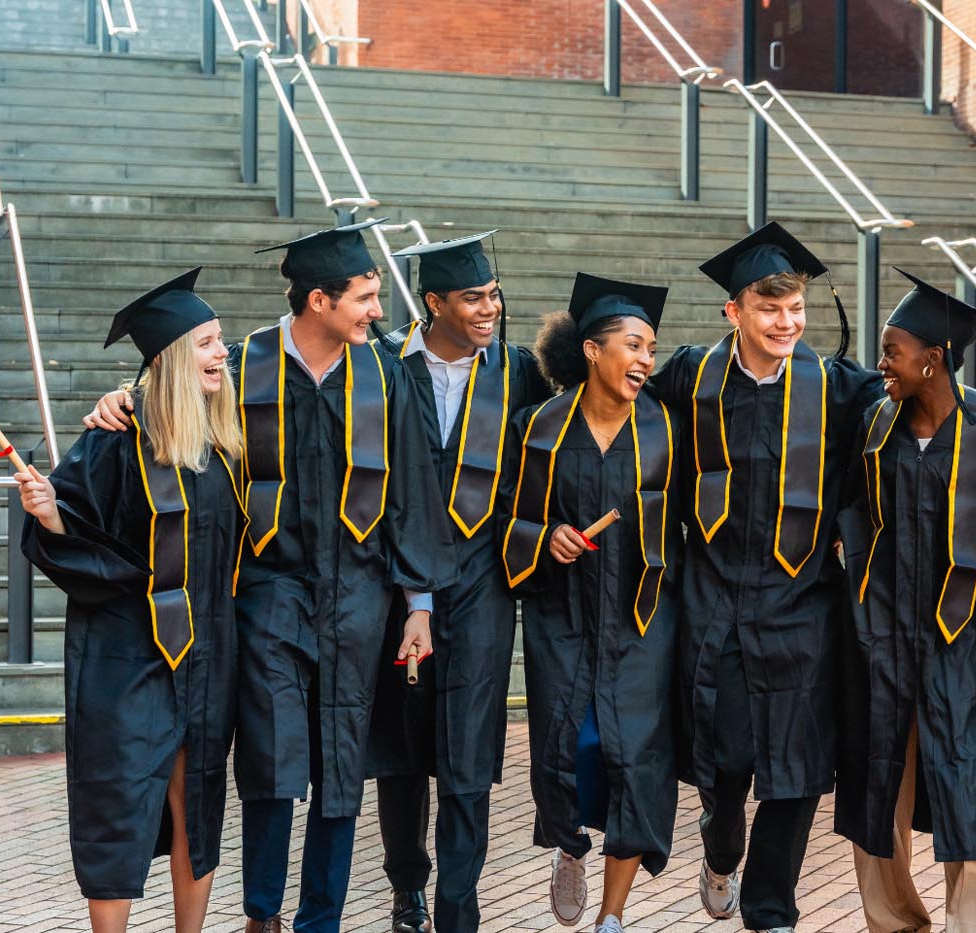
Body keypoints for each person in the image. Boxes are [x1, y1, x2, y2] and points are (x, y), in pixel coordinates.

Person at [83, 222, 458, 933]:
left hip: (358, 593)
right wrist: (120, 400)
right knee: (270, 760)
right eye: (366, 297)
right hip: (265, 589)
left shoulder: (385, 373)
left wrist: (419, 605)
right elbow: (169, 397)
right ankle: (263, 914)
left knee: (342, 765)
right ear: (319, 299)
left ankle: (320, 920)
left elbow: (410, 489)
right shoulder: (244, 361)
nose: (379, 311)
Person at [644, 222, 884, 933]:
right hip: (714, 604)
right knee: (728, 763)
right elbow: (618, 419)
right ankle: (721, 846)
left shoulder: (839, 389)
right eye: (769, 308)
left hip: (802, 609)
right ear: (735, 312)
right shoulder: (689, 377)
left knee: (799, 770)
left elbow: (912, 418)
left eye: (795, 308)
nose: (786, 322)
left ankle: (771, 909)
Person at [17, 268, 243, 933]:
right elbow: (72, 534)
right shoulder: (115, 440)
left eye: (221, 339)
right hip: (126, 653)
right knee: (117, 803)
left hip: (205, 654)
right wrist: (49, 513)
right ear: (173, 357)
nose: (221, 353)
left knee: (195, 805)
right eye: (206, 342)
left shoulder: (223, 442)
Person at [366, 232, 551, 933]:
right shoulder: (382, 366)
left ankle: (457, 908)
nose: (489, 308)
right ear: (433, 301)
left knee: (469, 751)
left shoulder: (517, 371)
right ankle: (407, 888)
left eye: (494, 295)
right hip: (397, 584)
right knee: (404, 748)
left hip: (481, 582)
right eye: (473, 297)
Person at [835, 269, 976, 933]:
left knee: (966, 787)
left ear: (932, 360)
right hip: (882, 636)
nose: (881, 363)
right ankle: (893, 921)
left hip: (961, 640)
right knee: (876, 786)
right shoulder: (876, 425)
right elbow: (853, 512)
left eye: (892, 350)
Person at [501, 273, 680, 933]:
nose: (644, 361)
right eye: (633, 345)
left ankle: (611, 915)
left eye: (652, 350)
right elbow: (507, 518)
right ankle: (570, 846)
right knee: (566, 752)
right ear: (593, 351)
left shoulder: (666, 428)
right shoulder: (538, 427)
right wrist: (544, 536)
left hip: (642, 620)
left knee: (637, 761)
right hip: (564, 618)